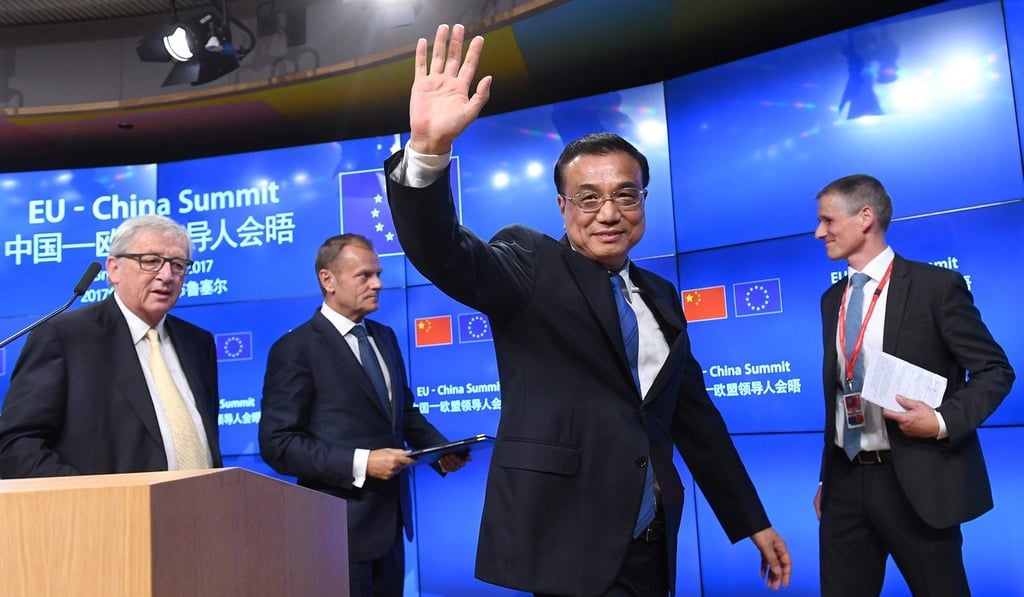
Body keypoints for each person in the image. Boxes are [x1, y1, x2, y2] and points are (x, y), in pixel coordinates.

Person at [382, 23, 792, 596]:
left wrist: (752, 521)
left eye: (625, 194)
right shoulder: (529, 262)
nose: (608, 212)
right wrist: (428, 151)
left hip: (652, 541)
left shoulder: (660, 296)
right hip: (566, 540)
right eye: (589, 198)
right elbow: (444, 253)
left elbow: (694, 419)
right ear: (562, 206)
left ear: (643, 202)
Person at [812, 174, 1014, 596]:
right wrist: (825, 481)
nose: (819, 233)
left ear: (865, 217)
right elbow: (840, 391)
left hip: (917, 480)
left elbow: (996, 370)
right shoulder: (832, 300)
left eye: (828, 221)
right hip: (845, 482)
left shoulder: (934, 288)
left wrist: (941, 421)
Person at [259, 233, 468, 597]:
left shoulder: (384, 337)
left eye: (378, 274)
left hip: (390, 529)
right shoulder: (295, 349)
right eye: (365, 276)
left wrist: (439, 450)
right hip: (333, 532)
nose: (378, 284)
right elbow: (278, 445)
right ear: (328, 280)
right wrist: (362, 463)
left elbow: (403, 414)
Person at [0, 214, 221, 477]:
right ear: (114, 268)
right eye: (151, 261)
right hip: (104, 514)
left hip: (201, 511)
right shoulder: (64, 336)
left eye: (178, 265)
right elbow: (16, 444)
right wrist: (88, 498)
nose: (166, 275)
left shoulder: (197, 343)